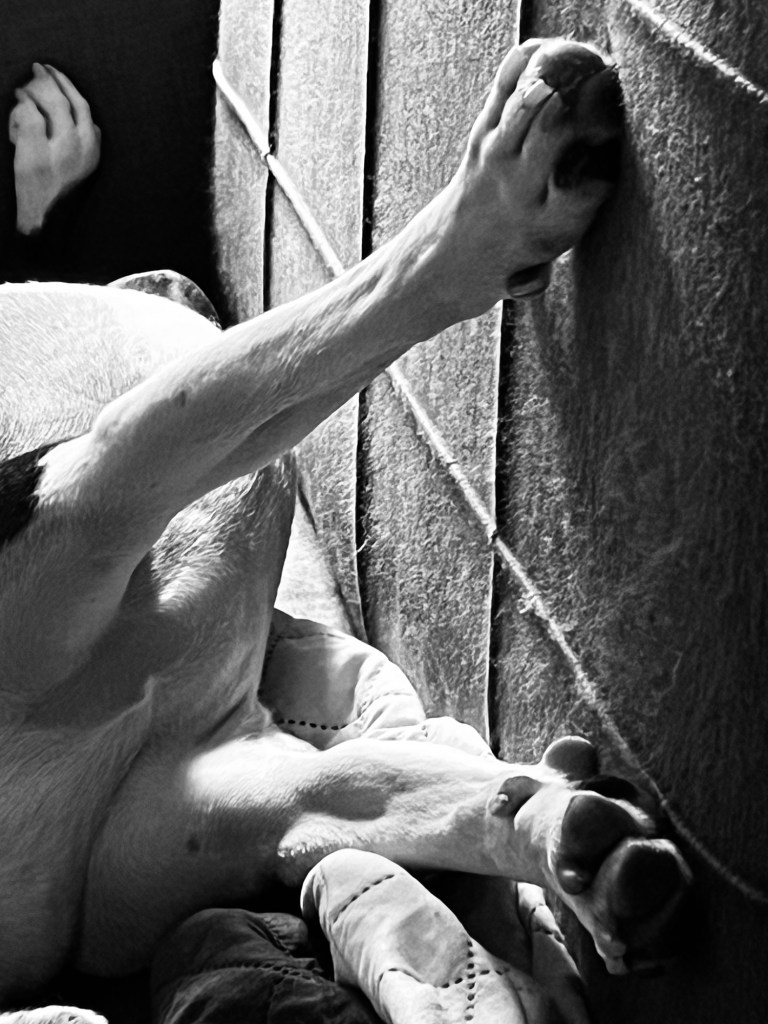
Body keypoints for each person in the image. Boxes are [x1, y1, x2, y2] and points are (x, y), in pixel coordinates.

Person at [0, 38, 689, 1024]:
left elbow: (98, 482)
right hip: (62, 886)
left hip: (94, 453)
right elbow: (307, 802)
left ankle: (450, 256)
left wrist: (43, 227)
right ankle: (538, 824)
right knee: (291, 808)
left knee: (97, 504)